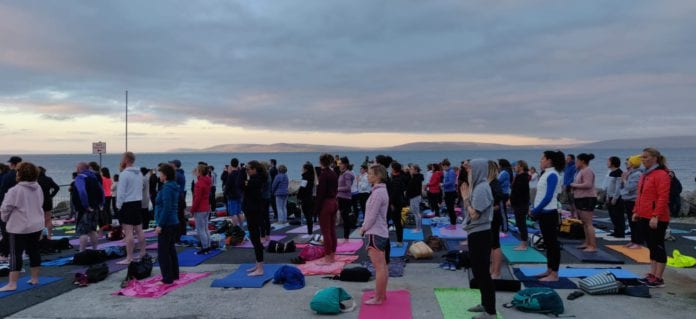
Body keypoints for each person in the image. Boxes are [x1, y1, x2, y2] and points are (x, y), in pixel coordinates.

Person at [0, 162, 44, 292]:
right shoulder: (38, 187)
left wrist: (4, 219)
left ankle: (12, 283)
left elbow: (5, 208)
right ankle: (35, 278)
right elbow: (40, 203)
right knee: (34, 251)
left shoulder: (15, 190)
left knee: (15, 254)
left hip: (19, 227)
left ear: (19, 174)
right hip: (36, 224)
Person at [461, 159, 497, 318]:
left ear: (478, 170)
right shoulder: (477, 187)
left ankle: (490, 312)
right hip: (476, 233)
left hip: (480, 233)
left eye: (471, 170)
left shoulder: (482, 188)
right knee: (478, 271)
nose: (469, 172)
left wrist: (465, 199)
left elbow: (474, 214)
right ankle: (485, 304)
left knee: (482, 272)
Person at [634, 148, 671, 288]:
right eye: (642, 157)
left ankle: (659, 277)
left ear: (655, 158)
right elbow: (640, 195)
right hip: (644, 214)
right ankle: (652, 273)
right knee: (651, 246)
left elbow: (663, 197)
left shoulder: (662, 174)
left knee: (658, 245)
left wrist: (656, 216)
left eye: (646, 157)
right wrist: (636, 211)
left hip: (657, 217)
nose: (643, 160)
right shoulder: (645, 174)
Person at [530, 150, 565, 282]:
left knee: (553, 244)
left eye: (542, 159)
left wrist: (536, 210)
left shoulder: (552, 175)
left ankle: (554, 274)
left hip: (549, 213)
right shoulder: (546, 173)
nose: (540, 161)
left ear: (549, 160)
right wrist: (534, 208)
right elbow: (540, 195)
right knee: (548, 243)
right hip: (543, 213)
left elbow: (549, 196)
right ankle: (549, 269)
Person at [359, 164, 390, 305]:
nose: (368, 176)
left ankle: (378, 298)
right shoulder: (381, 191)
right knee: (382, 266)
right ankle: (381, 295)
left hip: (375, 233)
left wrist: (363, 228)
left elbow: (371, 215)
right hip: (381, 232)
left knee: (379, 267)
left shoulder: (377, 193)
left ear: (378, 176)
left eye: (370, 173)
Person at [116, 152, 146, 264]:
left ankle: (129, 258)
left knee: (128, 232)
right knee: (139, 230)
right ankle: (142, 253)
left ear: (126, 160)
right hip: (137, 202)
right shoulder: (139, 173)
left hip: (127, 204)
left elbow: (121, 192)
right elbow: (142, 187)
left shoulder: (124, 174)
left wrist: (118, 206)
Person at [155, 164, 180, 284]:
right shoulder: (172, 186)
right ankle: (174, 274)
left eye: (160, 173)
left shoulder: (167, 188)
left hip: (167, 222)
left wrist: (160, 224)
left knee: (163, 252)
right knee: (170, 249)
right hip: (173, 221)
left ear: (165, 175)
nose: (159, 176)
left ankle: (167, 277)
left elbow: (167, 207)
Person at [73, 162, 105, 252]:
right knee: (92, 230)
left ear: (80, 169)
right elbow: (101, 190)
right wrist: (102, 203)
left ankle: (81, 251)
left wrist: (86, 205)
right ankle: (95, 249)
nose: (76, 170)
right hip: (95, 207)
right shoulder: (94, 177)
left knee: (83, 232)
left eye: (77, 168)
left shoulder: (80, 177)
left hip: (85, 208)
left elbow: (82, 191)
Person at [243, 160, 267, 276]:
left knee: (256, 240)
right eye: (246, 169)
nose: (246, 171)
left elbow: (240, 186)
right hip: (252, 211)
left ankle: (260, 268)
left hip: (254, 212)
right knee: (254, 239)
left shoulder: (255, 181)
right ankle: (258, 264)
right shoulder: (255, 179)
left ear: (254, 169)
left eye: (248, 169)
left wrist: (241, 172)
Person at [571, 153, 598, 252]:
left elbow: (588, 184)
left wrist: (574, 185)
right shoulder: (581, 171)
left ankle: (593, 246)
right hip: (580, 198)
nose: (576, 163)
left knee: (588, 223)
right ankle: (587, 242)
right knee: (584, 223)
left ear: (582, 161)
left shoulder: (587, 170)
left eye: (577, 161)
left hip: (587, 198)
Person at [315, 153, 339, 265]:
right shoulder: (334, 173)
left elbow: (320, 193)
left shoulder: (324, 175)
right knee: (332, 230)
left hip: (326, 203)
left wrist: (316, 208)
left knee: (326, 232)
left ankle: (328, 257)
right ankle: (333, 255)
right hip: (334, 201)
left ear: (321, 162)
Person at [0, 156, 22, 262]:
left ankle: (6, 254)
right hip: (22, 208)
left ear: (12, 164)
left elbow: (2, 192)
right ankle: (19, 253)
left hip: (8, 206)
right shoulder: (24, 176)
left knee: (6, 231)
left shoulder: (8, 176)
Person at [620, 155, 644, 249]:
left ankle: (638, 241)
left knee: (635, 222)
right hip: (628, 199)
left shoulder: (637, 174)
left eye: (628, 162)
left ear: (633, 163)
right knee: (631, 222)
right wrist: (623, 180)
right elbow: (624, 186)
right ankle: (633, 240)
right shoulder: (631, 173)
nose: (627, 164)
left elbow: (630, 188)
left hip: (633, 200)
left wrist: (624, 179)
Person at [487, 161, 505, 279]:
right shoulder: (489, 182)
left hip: (494, 215)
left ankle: (496, 271)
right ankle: (492, 268)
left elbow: (500, 195)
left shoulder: (495, 182)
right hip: (490, 214)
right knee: (490, 243)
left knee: (495, 244)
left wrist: (493, 204)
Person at [191, 164, 212, 255]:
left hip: (200, 209)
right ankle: (208, 245)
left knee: (200, 229)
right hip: (206, 207)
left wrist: (192, 209)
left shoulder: (199, 183)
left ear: (199, 172)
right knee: (205, 228)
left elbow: (197, 198)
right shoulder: (208, 180)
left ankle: (205, 247)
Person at [510, 160, 530, 251]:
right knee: (519, 223)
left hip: (521, 204)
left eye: (516, 166)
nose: (514, 167)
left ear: (521, 167)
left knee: (522, 224)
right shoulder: (520, 177)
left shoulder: (523, 177)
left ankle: (524, 244)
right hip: (518, 204)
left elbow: (520, 192)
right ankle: (523, 242)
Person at [37, 167, 60, 239]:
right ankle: (49, 236)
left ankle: (40, 237)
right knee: (48, 220)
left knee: (38, 220)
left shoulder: (35, 180)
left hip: (38, 202)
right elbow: (57, 187)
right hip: (47, 200)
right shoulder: (48, 179)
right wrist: (51, 195)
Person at [388, 162, 407, 246]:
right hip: (397, 202)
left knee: (397, 222)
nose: (390, 169)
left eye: (391, 168)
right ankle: (399, 240)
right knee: (397, 221)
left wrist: (391, 203)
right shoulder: (397, 177)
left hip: (396, 203)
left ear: (394, 169)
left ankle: (399, 241)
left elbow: (394, 193)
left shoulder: (397, 179)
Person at [605, 156, 625, 237]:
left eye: (608, 161)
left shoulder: (619, 173)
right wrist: (607, 196)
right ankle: (616, 230)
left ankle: (620, 232)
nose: (607, 163)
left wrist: (615, 198)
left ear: (613, 163)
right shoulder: (611, 172)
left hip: (616, 198)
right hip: (610, 196)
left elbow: (618, 187)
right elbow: (609, 185)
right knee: (612, 215)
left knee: (618, 215)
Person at [337, 157, 355, 241]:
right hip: (341, 198)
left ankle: (346, 237)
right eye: (339, 163)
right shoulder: (342, 173)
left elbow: (348, 187)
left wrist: (337, 189)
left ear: (345, 164)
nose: (339, 165)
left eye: (340, 163)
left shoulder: (347, 174)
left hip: (345, 198)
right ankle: (345, 237)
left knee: (345, 218)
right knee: (343, 218)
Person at [225, 158, 245, 227]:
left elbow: (227, 186)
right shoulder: (240, 173)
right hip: (239, 194)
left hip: (232, 196)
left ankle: (236, 228)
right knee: (239, 212)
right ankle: (241, 227)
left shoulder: (231, 175)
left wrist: (226, 192)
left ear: (231, 164)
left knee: (233, 214)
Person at [170, 160, 187, 242]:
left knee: (177, 216)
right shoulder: (181, 173)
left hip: (177, 197)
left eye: (171, 164)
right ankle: (182, 233)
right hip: (181, 196)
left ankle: (177, 236)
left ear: (174, 165)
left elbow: (172, 186)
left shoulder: (176, 175)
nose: (170, 165)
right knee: (181, 216)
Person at [297, 162, 316, 234]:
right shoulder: (312, 176)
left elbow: (302, 188)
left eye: (303, 168)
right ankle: (310, 231)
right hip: (310, 197)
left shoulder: (305, 177)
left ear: (306, 169)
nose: (302, 169)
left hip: (305, 198)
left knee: (307, 215)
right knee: (309, 215)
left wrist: (298, 196)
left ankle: (309, 232)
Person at [407, 164, 424, 232]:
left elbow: (414, 188)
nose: (410, 170)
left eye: (411, 169)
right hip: (413, 197)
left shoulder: (417, 178)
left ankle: (418, 229)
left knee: (416, 213)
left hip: (415, 197)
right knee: (414, 212)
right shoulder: (415, 177)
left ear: (416, 170)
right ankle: (418, 228)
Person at [441, 159, 457, 227]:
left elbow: (451, 182)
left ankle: (453, 224)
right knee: (449, 208)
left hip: (451, 193)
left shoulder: (451, 172)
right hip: (448, 192)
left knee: (450, 209)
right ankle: (452, 222)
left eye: (443, 167)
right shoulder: (447, 171)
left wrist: (443, 184)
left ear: (446, 166)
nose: (443, 168)